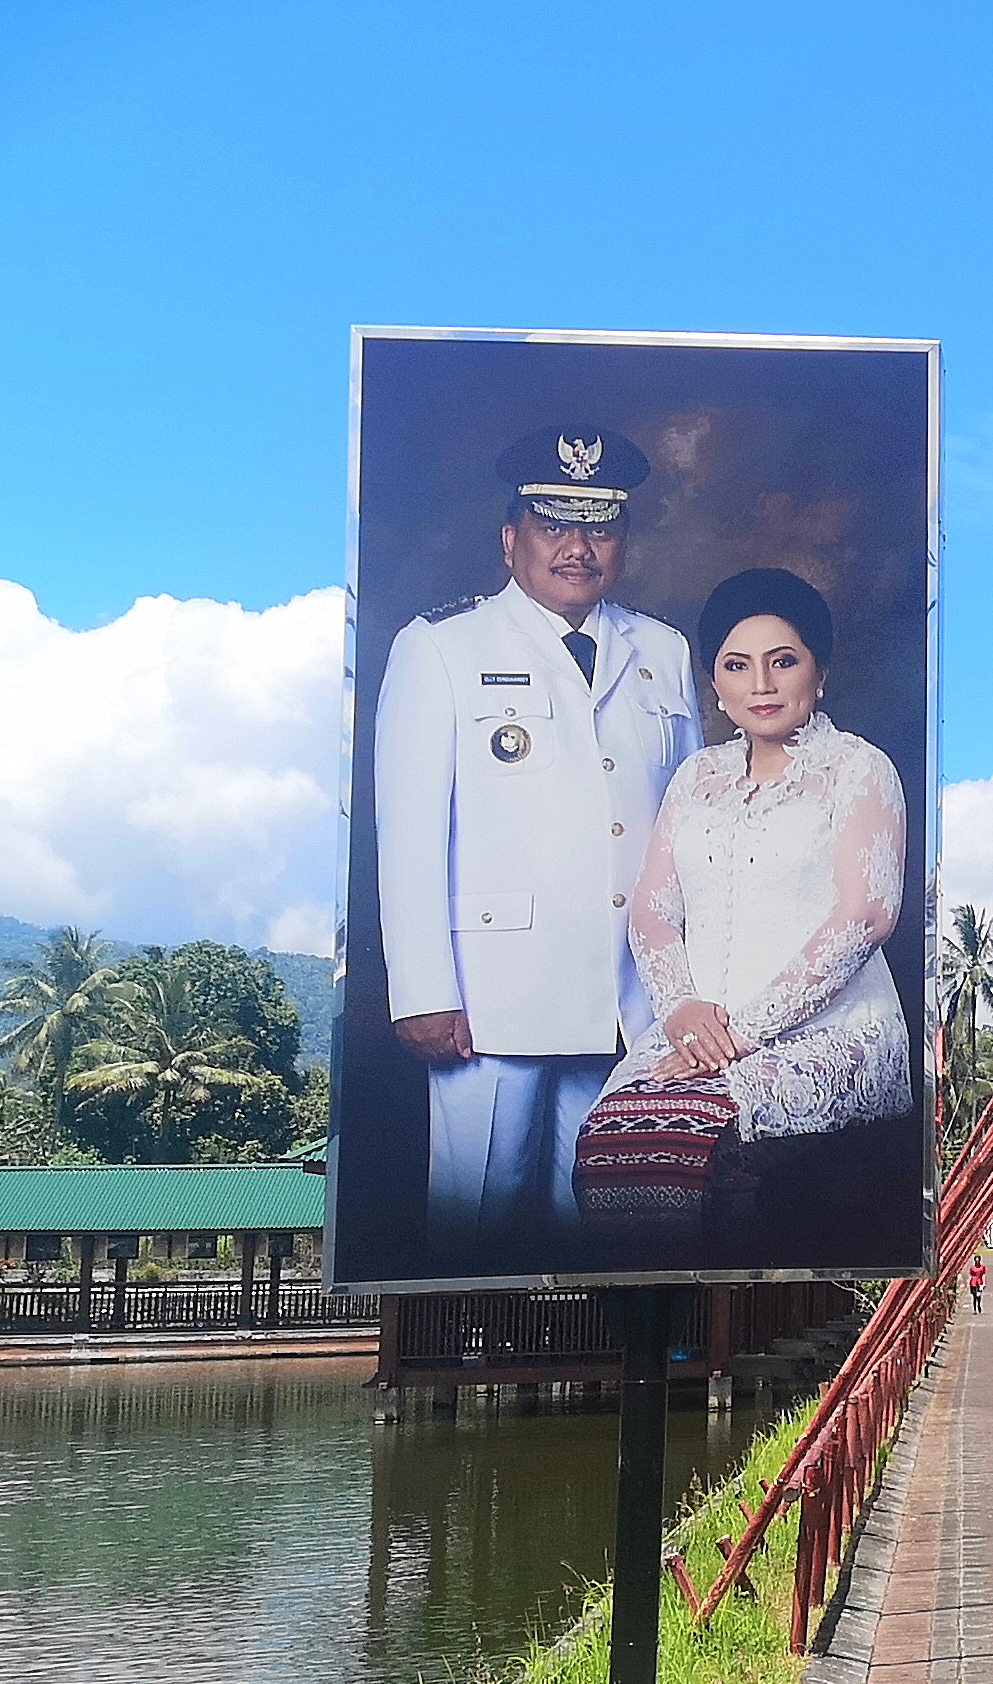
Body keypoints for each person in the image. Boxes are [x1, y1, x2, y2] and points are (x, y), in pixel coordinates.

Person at [375, 427, 701, 1263]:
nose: (577, 548)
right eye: (553, 526)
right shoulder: (441, 646)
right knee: (477, 1219)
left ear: (623, 541)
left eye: (599, 528)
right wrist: (421, 989)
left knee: (602, 1221)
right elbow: (409, 830)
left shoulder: (663, 651)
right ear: (509, 538)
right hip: (490, 998)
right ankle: (471, 1335)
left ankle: (579, 1342)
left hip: (633, 998)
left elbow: (693, 829)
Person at [569, 567, 915, 1250]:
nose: (761, 684)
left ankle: (720, 1309)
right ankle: (649, 1317)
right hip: (699, 1034)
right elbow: (653, 912)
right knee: (608, 1133)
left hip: (834, 1032)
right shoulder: (697, 776)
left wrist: (744, 1033)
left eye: (783, 661)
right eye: (737, 665)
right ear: (716, 684)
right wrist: (680, 1010)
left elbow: (867, 916)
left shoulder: (858, 767)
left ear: (819, 673)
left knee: (702, 1137)